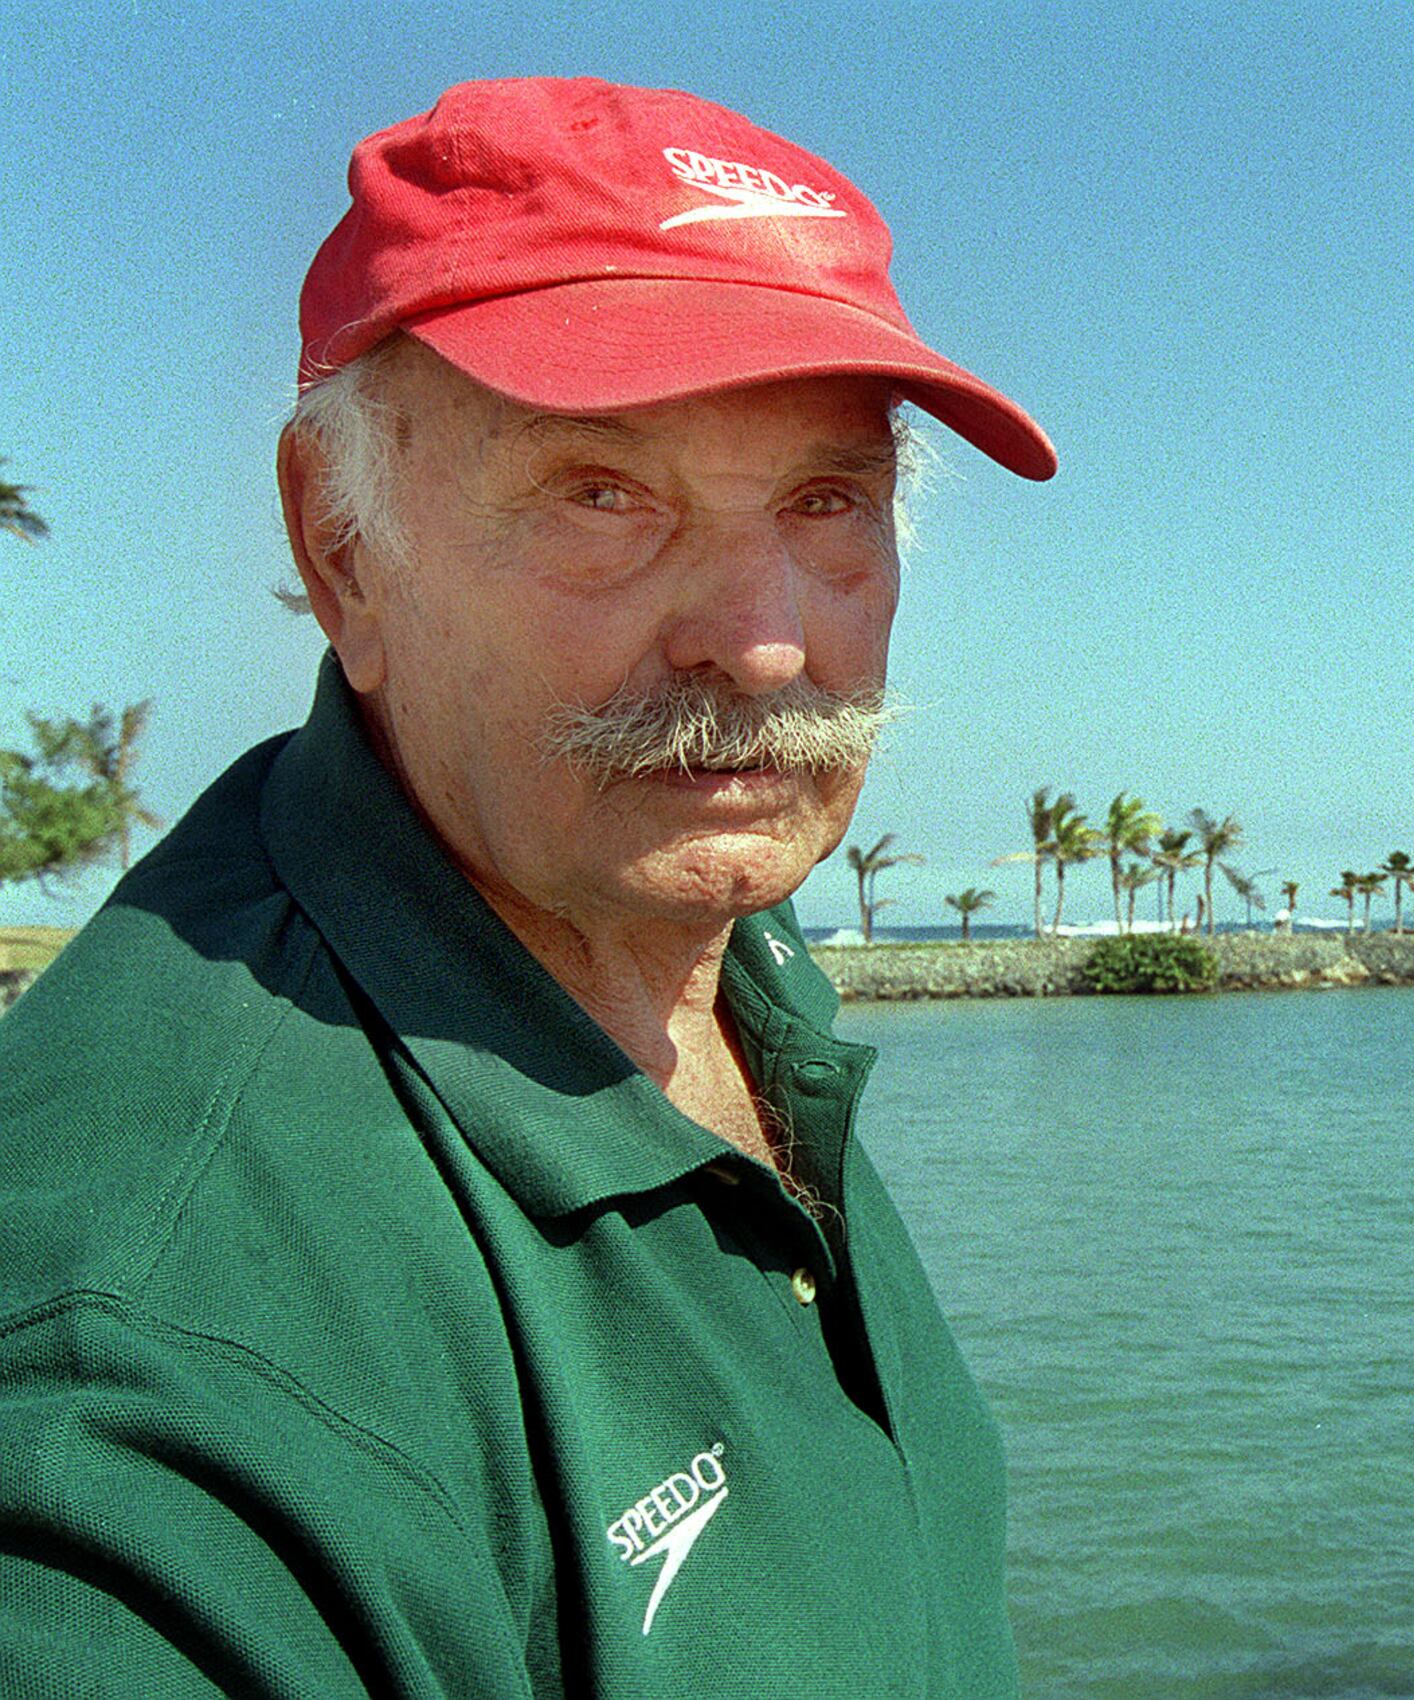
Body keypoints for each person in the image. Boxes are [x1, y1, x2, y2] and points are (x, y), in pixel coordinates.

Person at [0, 77, 1054, 1697]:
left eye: (826, 502)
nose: (766, 641)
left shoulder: (725, 968)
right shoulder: (143, 1355)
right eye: (603, 494)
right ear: (341, 545)